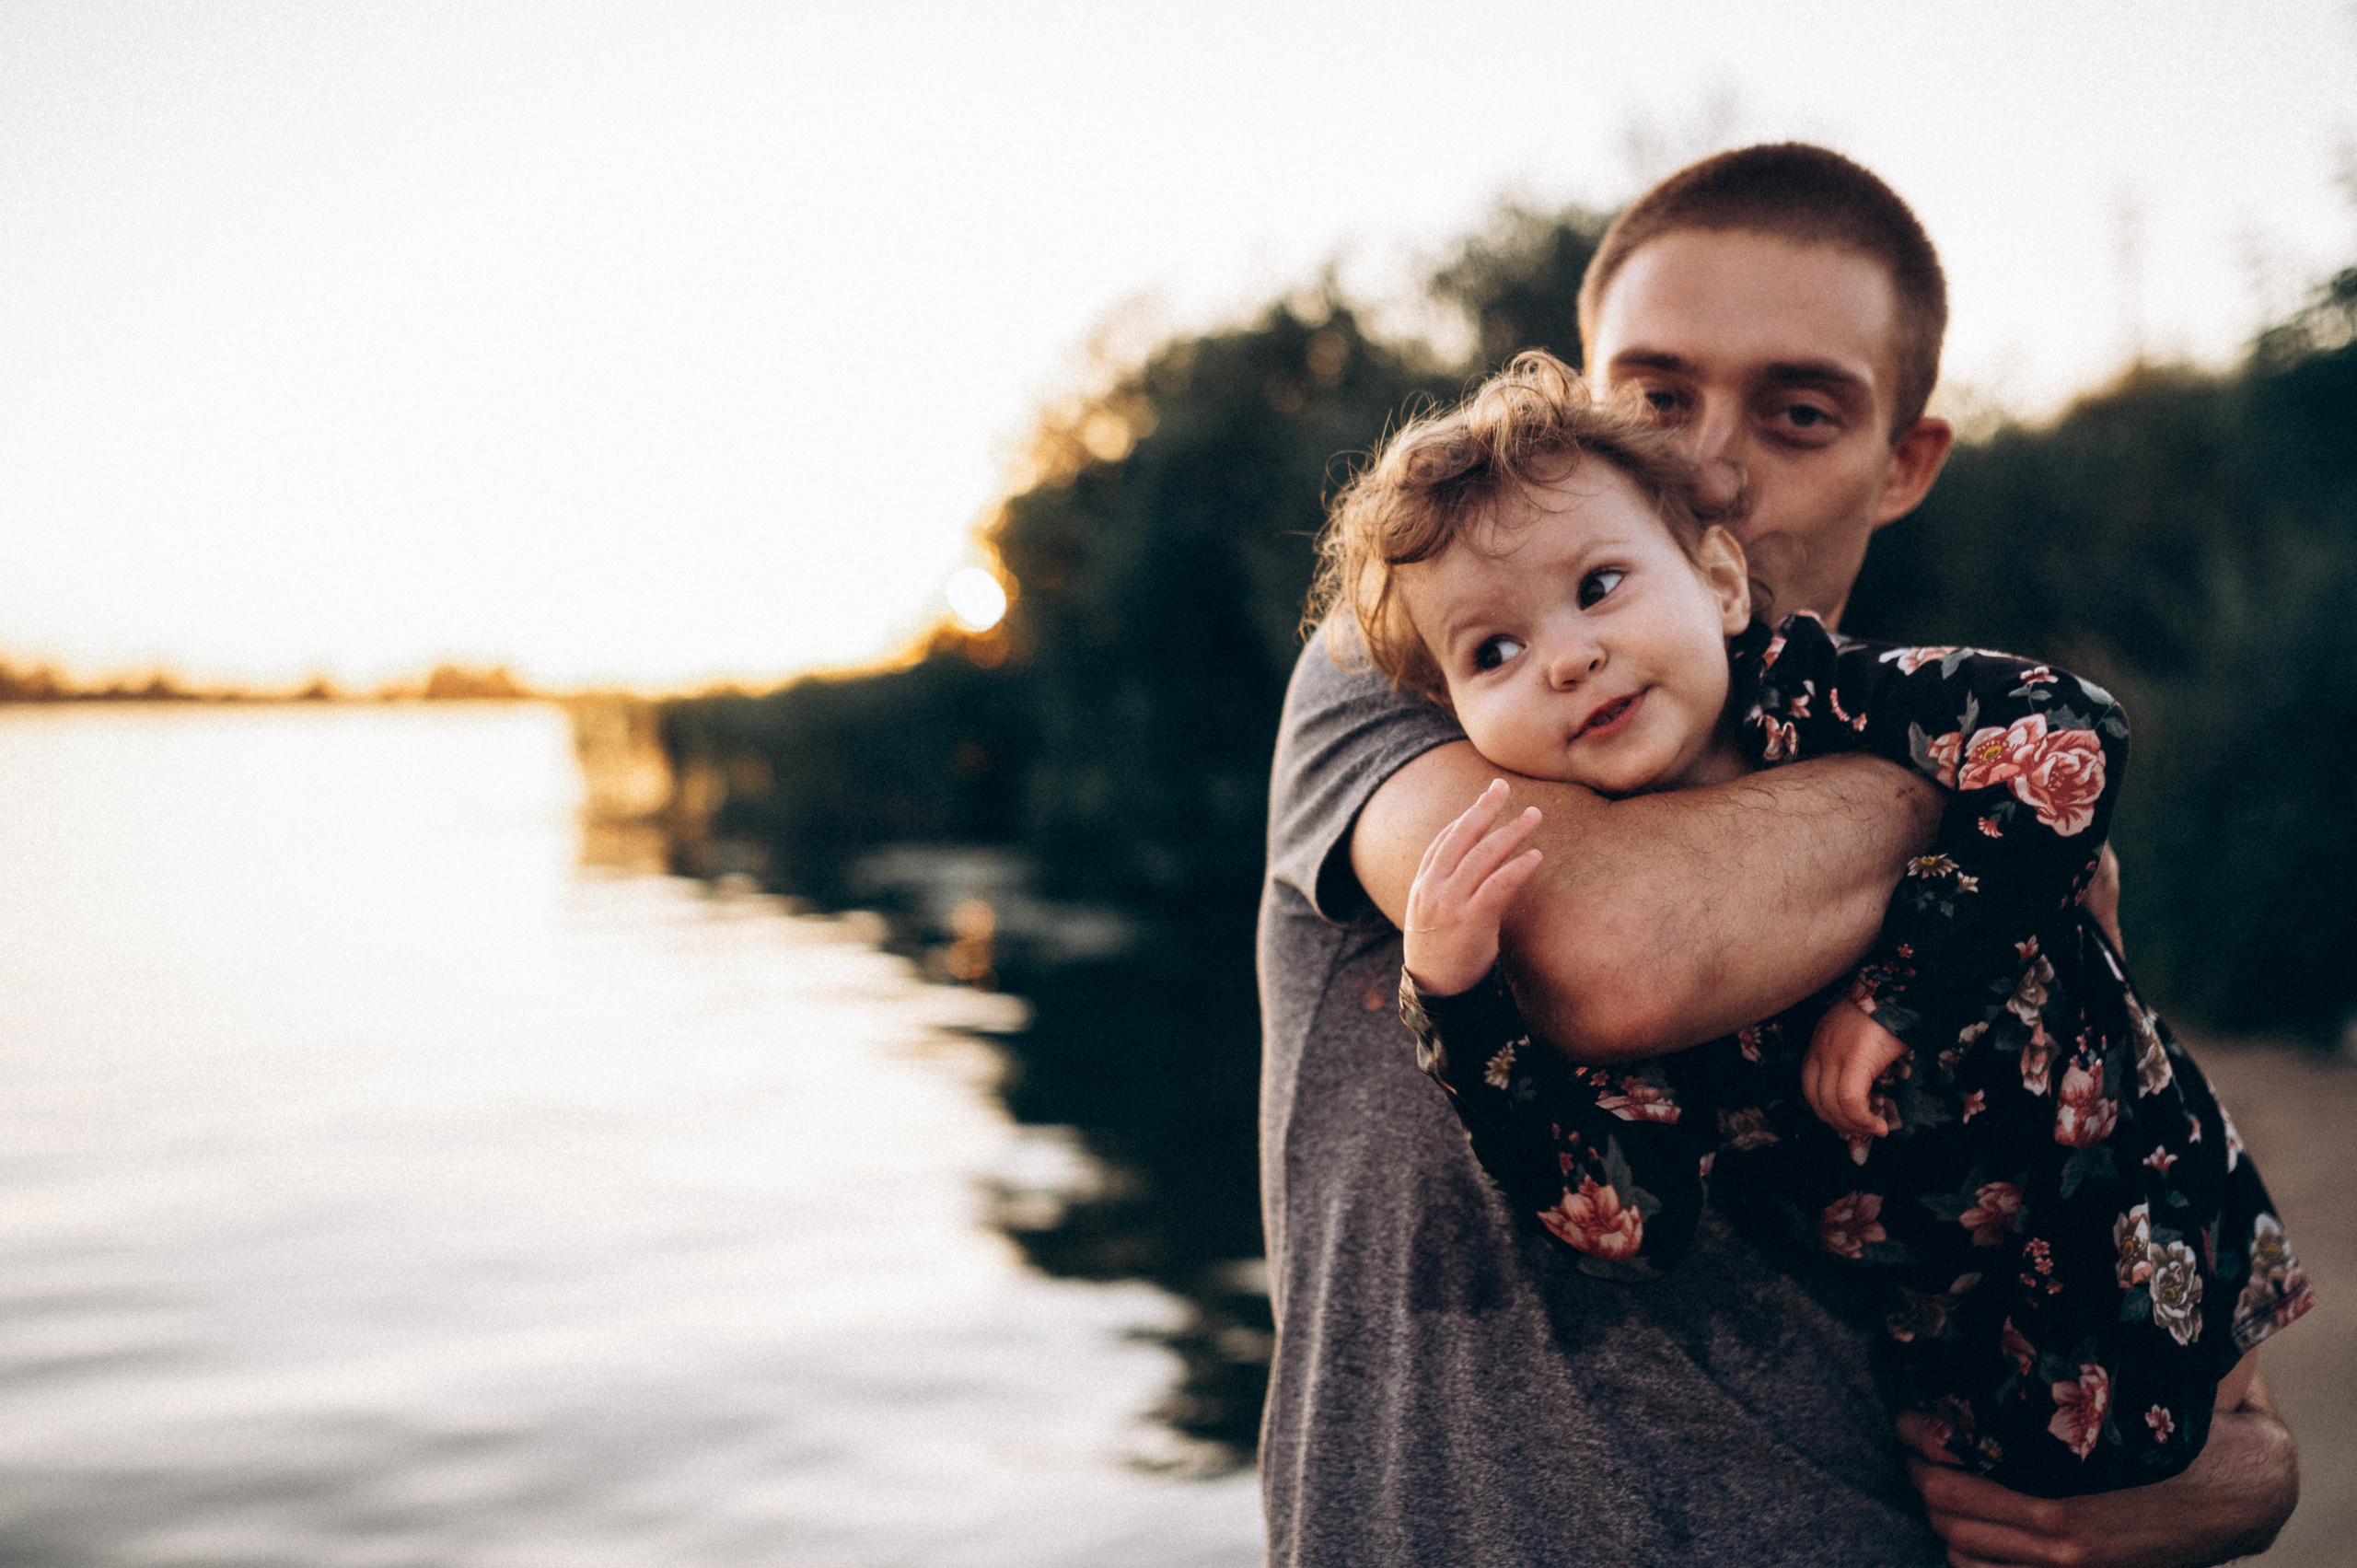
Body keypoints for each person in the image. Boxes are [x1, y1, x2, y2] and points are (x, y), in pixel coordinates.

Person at [1258, 144, 2300, 1566]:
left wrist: (2241, 1475)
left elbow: (2116, 1188)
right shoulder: (1421, 650)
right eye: (1653, 398)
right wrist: (1951, 813)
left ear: (1904, 462)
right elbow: (1618, 954)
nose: (1709, 467)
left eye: (1801, 414)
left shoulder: (1916, 723)